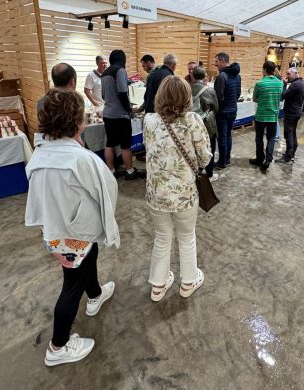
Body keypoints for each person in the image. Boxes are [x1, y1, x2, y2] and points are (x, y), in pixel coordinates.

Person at [25, 88, 119, 366]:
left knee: (86, 260)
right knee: (71, 286)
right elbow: (106, 190)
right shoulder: (82, 159)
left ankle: (96, 294)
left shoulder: (39, 155)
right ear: (78, 121)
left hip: (55, 232)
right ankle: (58, 346)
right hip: (75, 233)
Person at [143, 76, 211, 302]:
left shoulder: (149, 120)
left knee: (162, 237)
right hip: (184, 194)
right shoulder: (192, 120)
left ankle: (158, 286)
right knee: (186, 236)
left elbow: (149, 149)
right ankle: (188, 283)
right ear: (186, 96)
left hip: (156, 194)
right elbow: (205, 157)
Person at [101, 49, 144, 179]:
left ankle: (112, 171)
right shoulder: (120, 71)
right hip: (120, 115)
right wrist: (129, 110)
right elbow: (122, 92)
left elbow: (103, 96)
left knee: (110, 143)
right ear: (122, 59)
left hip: (108, 114)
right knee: (125, 145)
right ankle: (130, 172)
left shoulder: (104, 73)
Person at [249, 61, 284, 173]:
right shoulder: (280, 84)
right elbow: (280, 98)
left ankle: (260, 159)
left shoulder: (259, 84)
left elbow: (254, 99)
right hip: (273, 116)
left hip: (261, 115)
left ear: (264, 69)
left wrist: (264, 101)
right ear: (274, 70)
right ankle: (268, 160)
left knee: (259, 139)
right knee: (271, 138)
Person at [213, 52, 241, 169]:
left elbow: (218, 97)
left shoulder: (222, 76)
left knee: (222, 137)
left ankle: (222, 162)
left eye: (217, 62)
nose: (215, 64)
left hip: (223, 112)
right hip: (233, 110)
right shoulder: (238, 75)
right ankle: (227, 158)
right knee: (228, 135)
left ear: (223, 61)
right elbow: (238, 93)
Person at [191, 66, 219, 182]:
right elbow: (216, 107)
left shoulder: (186, 88)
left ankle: (195, 172)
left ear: (192, 76)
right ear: (205, 76)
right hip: (206, 123)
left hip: (191, 122)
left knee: (193, 148)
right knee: (209, 147)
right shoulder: (209, 90)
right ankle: (209, 174)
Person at [276, 67, 304, 164]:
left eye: (289, 74)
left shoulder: (295, 84)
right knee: (292, 133)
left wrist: (284, 85)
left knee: (288, 134)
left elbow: (283, 95)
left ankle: (287, 157)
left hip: (291, 113)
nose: (287, 76)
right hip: (297, 111)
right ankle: (292, 154)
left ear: (295, 73)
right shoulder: (302, 83)